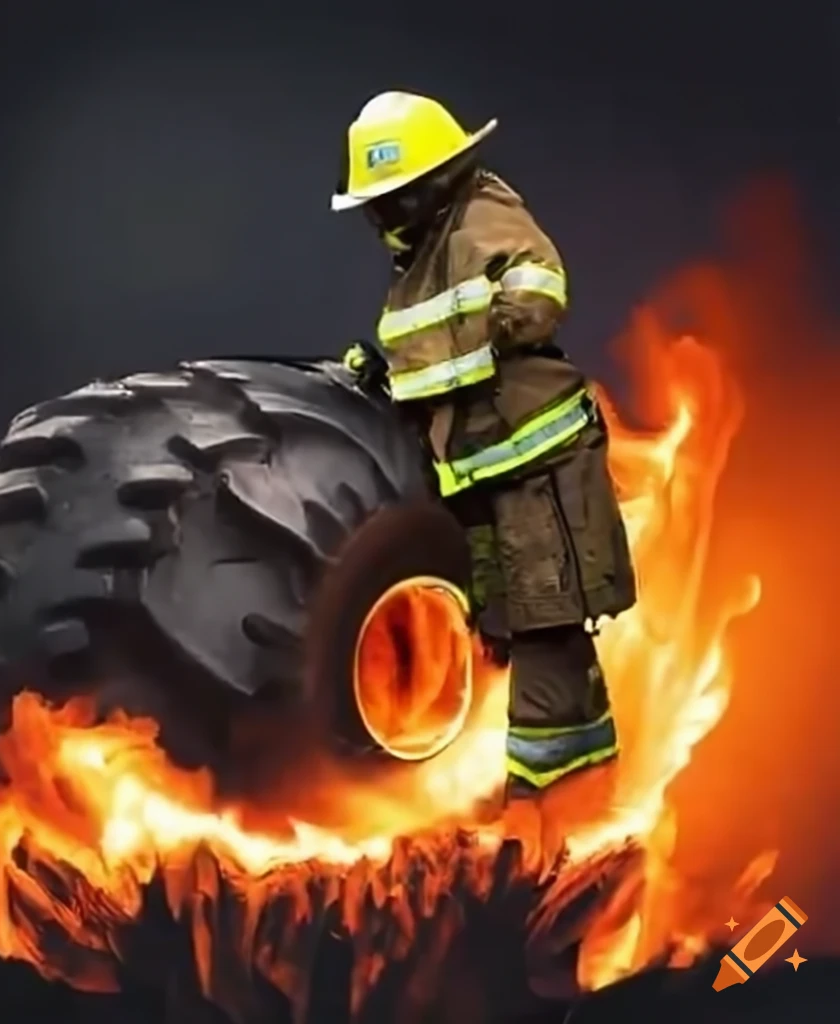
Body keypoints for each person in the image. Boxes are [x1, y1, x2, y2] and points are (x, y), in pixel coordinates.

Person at [333, 91, 637, 802]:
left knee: (546, 625)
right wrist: (389, 381)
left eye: (397, 195)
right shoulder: (419, 261)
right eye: (380, 202)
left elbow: (538, 284)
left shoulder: (482, 213)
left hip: (538, 465)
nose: (385, 214)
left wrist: (505, 323)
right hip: (481, 478)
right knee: (500, 628)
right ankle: (563, 787)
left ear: (437, 180)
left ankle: (551, 802)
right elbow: (437, 360)